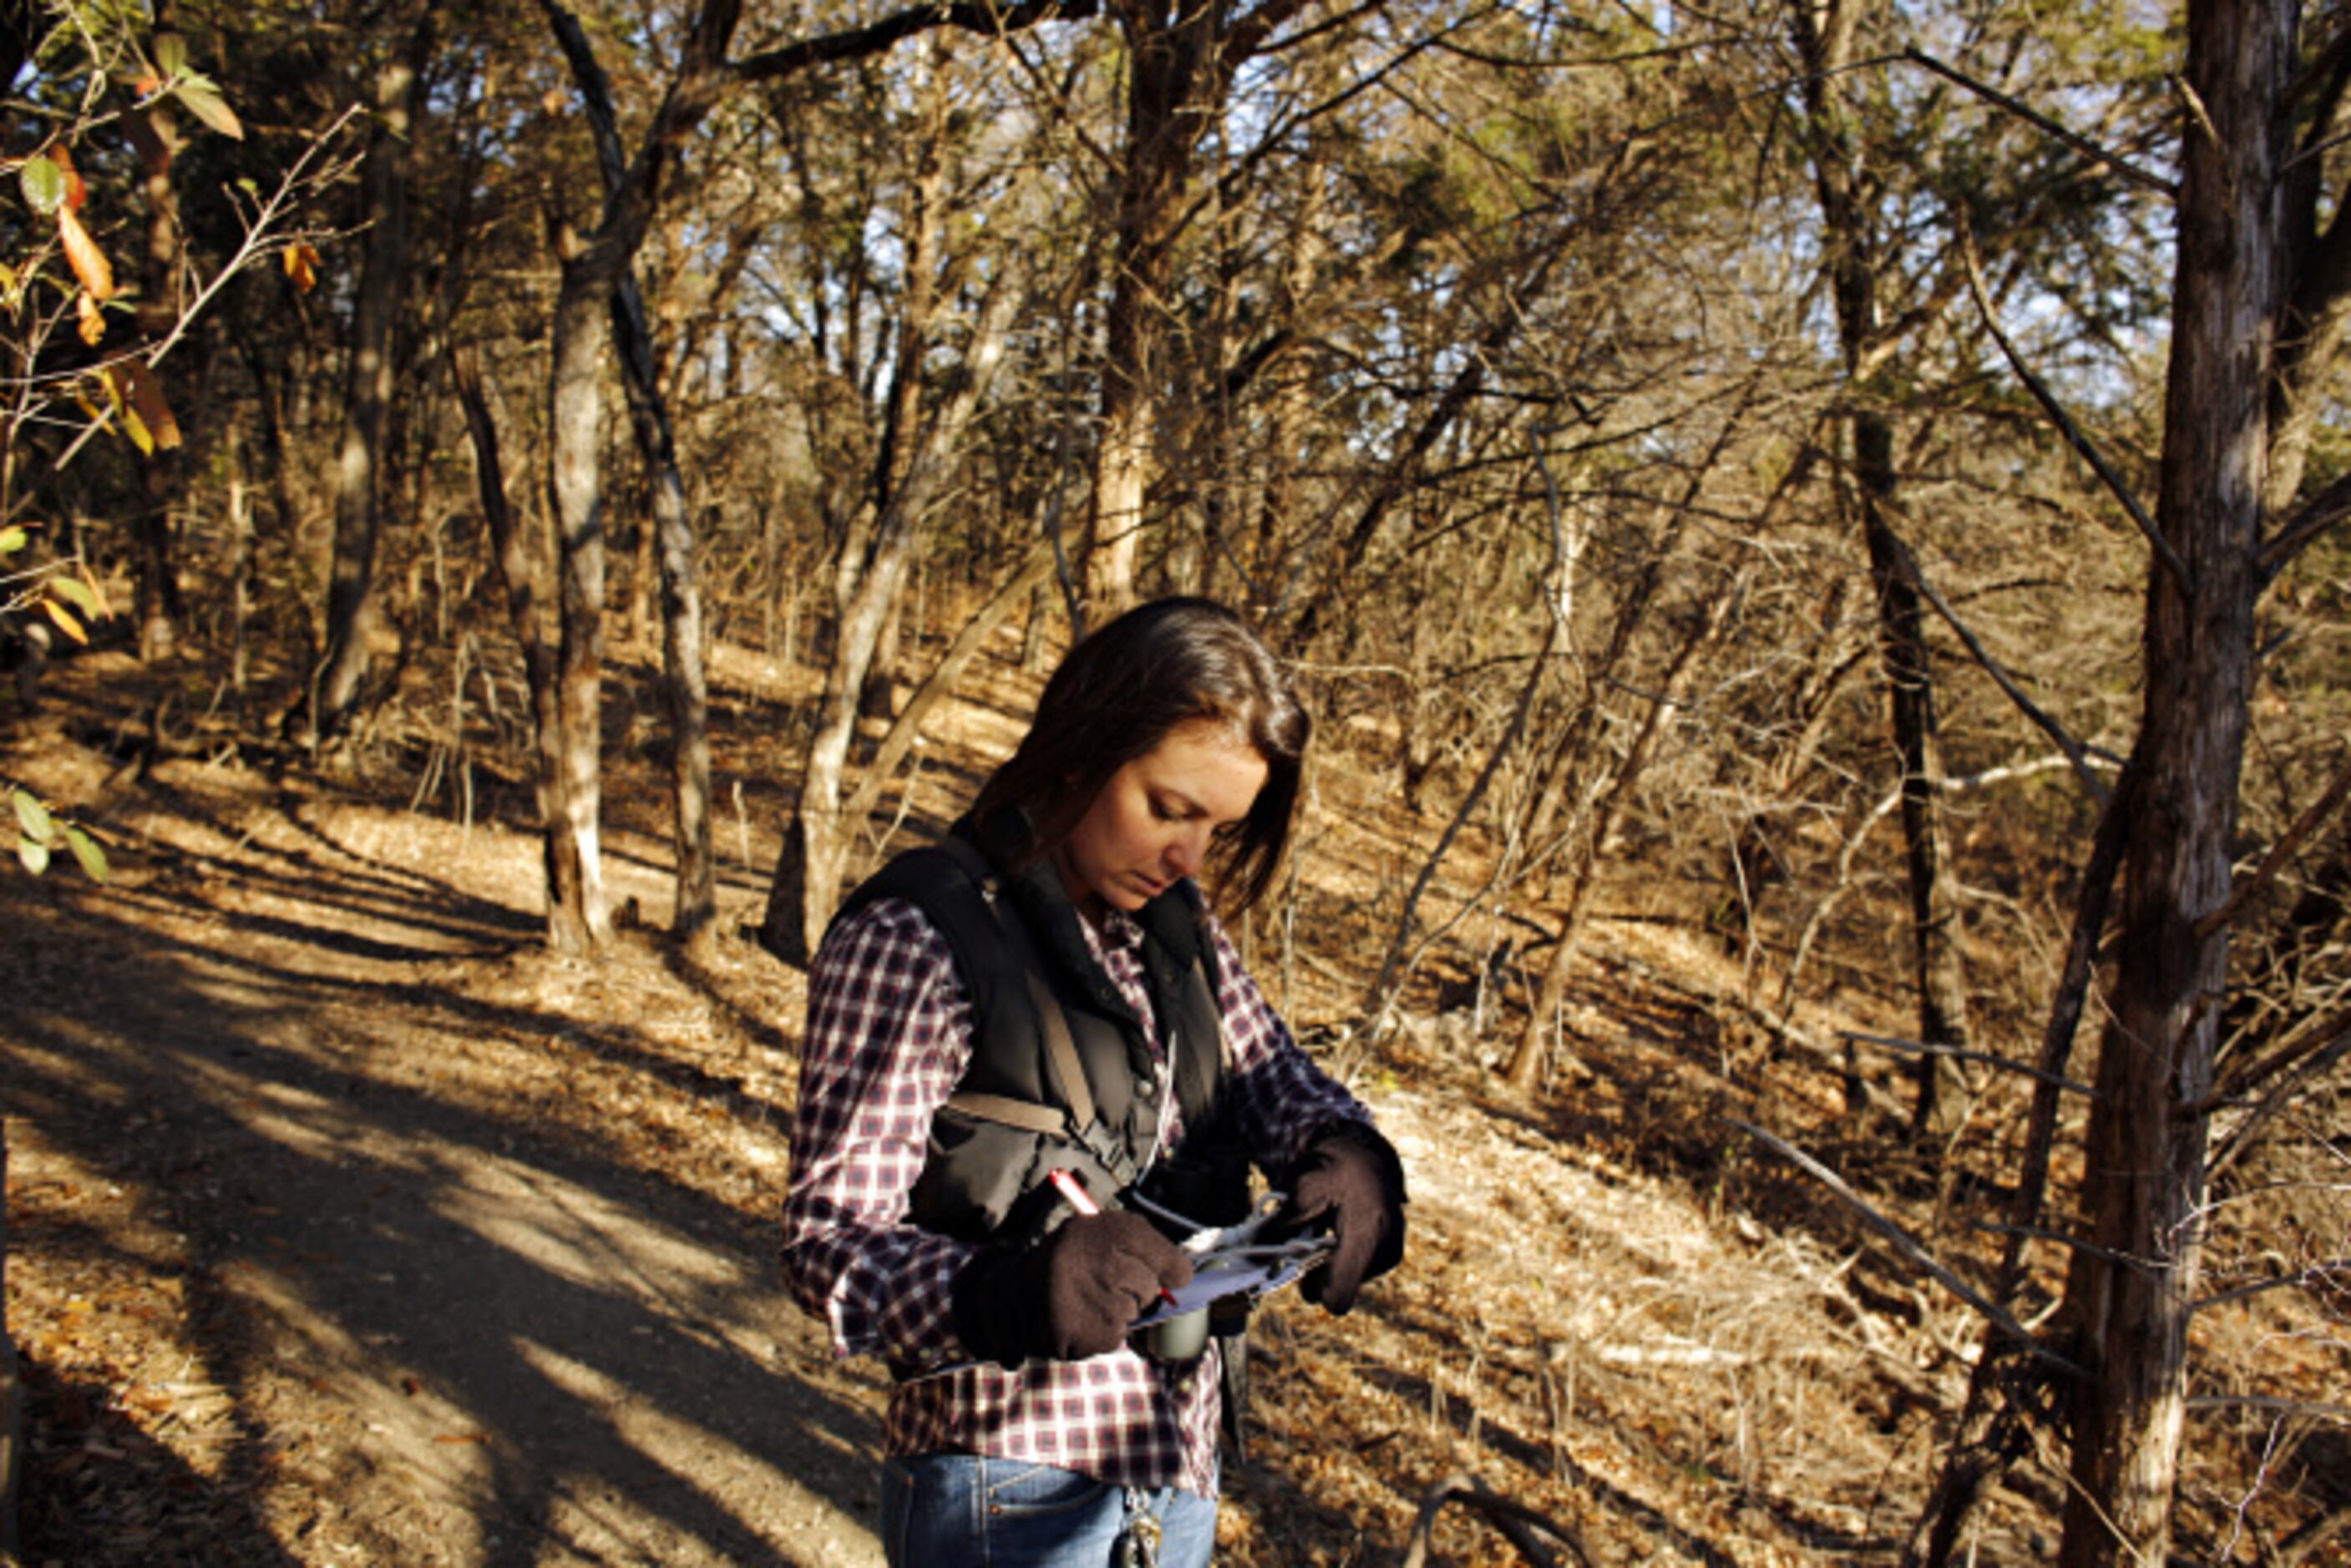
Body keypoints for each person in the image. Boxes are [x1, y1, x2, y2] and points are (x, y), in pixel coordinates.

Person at [781, 596, 1407, 1567]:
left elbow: (1273, 1072)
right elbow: (828, 1247)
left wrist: (1348, 1155)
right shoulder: (914, 938)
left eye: (1218, 829)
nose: (1188, 858)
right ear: (1079, 751)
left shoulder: (1177, 929)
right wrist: (1008, 1292)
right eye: (1169, 809)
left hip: (1175, 1467)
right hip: (1003, 1485)